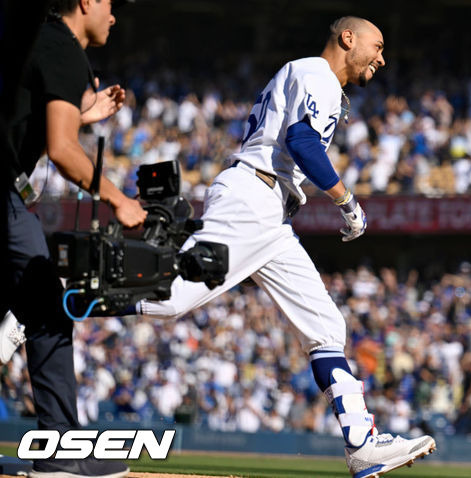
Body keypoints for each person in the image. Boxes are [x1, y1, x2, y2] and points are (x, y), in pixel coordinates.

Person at [135, 16, 435, 478]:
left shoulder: (311, 76)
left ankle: (363, 445)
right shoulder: (318, 73)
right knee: (169, 300)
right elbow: (301, 141)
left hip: (271, 215)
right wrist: (346, 199)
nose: (382, 57)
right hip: (254, 199)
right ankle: (53, 301)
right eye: (376, 45)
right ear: (347, 38)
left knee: (326, 326)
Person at [2, 1, 146, 477]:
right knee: (46, 306)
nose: (114, 15)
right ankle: (60, 450)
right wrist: (119, 200)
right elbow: (63, 150)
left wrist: (82, 118)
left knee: (39, 306)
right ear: (85, 1)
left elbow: (28, 127)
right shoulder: (62, 48)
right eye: (109, 3)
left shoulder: (37, 40)